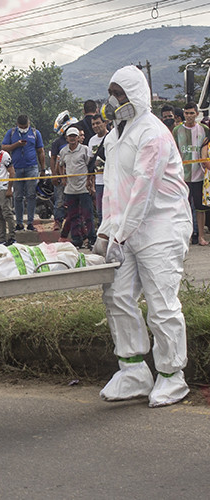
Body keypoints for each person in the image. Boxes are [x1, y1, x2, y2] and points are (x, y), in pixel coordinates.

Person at [94, 65, 192, 408]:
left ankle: (171, 375)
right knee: (117, 296)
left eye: (119, 93)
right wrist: (106, 233)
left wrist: (120, 235)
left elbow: (142, 191)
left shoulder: (153, 133)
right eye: (111, 92)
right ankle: (133, 370)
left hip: (161, 227)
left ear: (136, 93)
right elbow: (112, 192)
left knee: (161, 304)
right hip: (126, 231)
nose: (112, 99)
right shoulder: (113, 137)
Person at [172, 102, 210, 245]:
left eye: (191, 113)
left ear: (197, 114)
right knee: (184, 207)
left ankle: (201, 236)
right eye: (186, 113)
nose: (189, 116)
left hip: (200, 174)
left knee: (200, 208)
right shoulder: (177, 130)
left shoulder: (204, 129)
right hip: (183, 176)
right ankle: (186, 236)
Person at [2, 115, 45, 232]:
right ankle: (19, 223)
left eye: (25, 127)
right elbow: (4, 147)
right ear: (17, 125)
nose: (23, 129)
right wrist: (16, 145)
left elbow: (40, 151)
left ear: (29, 123)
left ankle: (30, 222)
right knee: (18, 196)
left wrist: (43, 169)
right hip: (16, 168)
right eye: (21, 127)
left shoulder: (36, 133)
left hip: (32, 167)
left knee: (31, 195)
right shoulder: (11, 133)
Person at [56, 127, 94, 248]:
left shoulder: (85, 150)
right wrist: (63, 177)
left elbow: (90, 166)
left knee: (87, 215)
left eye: (74, 136)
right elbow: (60, 164)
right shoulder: (63, 151)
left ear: (78, 138)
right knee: (73, 216)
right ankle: (77, 239)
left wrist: (90, 181)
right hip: (70, 189)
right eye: (70, 136)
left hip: (83, 188)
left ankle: (91, 238)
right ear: (67, 138)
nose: (72, 138)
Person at [50, 111, 79, 231]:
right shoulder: (58, 142)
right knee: (60, 199)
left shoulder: (78, 139)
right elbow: (52, 158)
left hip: (76, 175)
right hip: (62, 175)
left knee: (76, 200)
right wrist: (54, 175)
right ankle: (58, 220)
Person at [88, 115, 109, 230]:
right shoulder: (92, 141)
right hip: (99, 182)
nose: (95, 126)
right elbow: (90, 161)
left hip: (112, 180)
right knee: (100, 211)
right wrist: (90, 181)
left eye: (98, 123)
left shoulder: (112, 137)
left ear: (105, 123)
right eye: (93, 124)